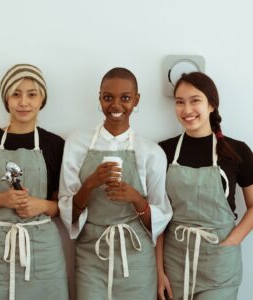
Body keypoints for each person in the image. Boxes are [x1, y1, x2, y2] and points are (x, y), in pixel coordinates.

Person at [58, 67, 172, 300]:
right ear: (99, 98)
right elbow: (68, 210)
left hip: (137, 257)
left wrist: (136, 199)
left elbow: (160, 217)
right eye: (108, 97)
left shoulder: (151, 152)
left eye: (125, 98)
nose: (116, 105)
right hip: (91, 254)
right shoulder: (77, 143)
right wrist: (89, 184)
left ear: (136, 100)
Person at [0, 64, 68, 300]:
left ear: (42, 99)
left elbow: (66, 204)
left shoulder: (54, 145)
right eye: (16, 94)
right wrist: (0, 199)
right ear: (6, 99)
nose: (24, 102)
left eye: (32, 94)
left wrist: (40, 206)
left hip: (42, 253)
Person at [157, 72, 253, 300]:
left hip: (218, 265)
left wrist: (232, 242)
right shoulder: (163, 151)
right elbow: (158, 215)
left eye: (195, 100)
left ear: (211, 104)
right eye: (180, 102)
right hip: (174, 263)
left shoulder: (237, 151)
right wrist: (159, 271)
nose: (186, 109)